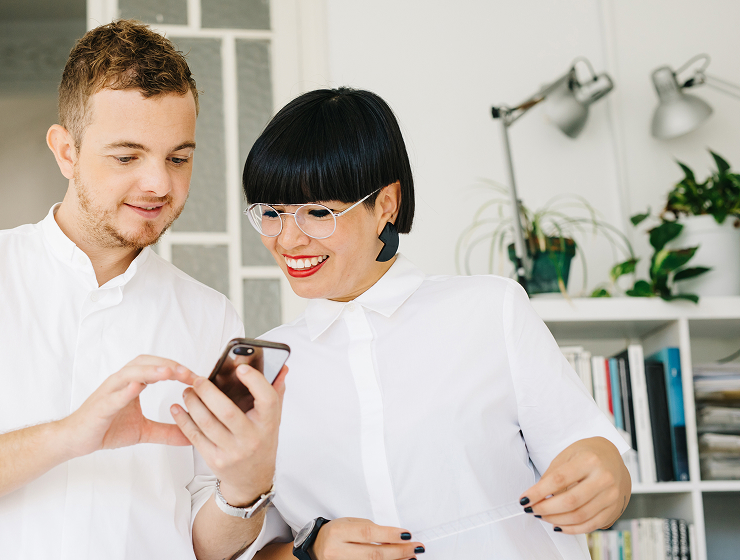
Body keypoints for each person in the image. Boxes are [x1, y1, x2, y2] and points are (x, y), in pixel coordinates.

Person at [0, 20, 284, 560]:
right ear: (66, 151)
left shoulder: (209, 315)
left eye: (178, 157)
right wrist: (69, 436)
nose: (159, 184)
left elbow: (200, 544)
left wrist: (246, 488)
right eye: (127, 156)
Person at [232, 88, 631, 560]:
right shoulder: (265, 366)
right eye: (271, 213)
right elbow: (248, 548)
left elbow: (590, 453)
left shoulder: (490, 310)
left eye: (319, 212)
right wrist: (312, 551)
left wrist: (608, 476)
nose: (288, 239)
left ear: (385, 203)